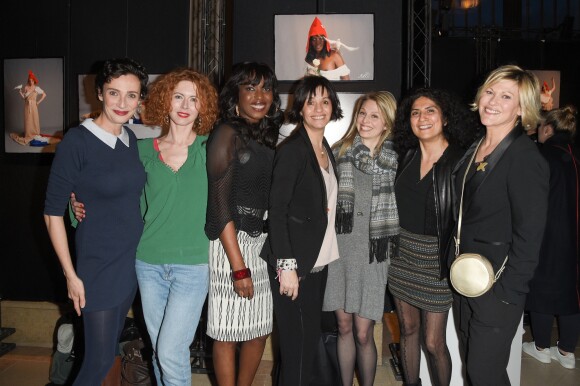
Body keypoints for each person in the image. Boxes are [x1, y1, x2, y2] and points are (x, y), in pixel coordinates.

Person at [70, 68, 219, 385]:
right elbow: (109, 191)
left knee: (169, 352)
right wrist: (75, 206)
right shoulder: (140, 150)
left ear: (202, 106)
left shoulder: (212, 149)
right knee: (159, 355)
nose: (184, 104)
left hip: (193, 266)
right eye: (178, 96)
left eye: (193, 99)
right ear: (165, 101)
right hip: (147, 264)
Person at [43, 57, 149, 386]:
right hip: (97, 267)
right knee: (98, 360)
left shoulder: (130, 139)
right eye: (114, 93)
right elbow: (51, 213)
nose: (122, 103)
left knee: (106, 355)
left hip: (128, 263)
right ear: (99, 93)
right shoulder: (77, 141)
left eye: (131, 95)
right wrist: (71, 275)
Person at [450, 64, 549, 385]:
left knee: (483, 373)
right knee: (477, 369)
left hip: (497, 287)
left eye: (506, 96)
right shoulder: (476, 146)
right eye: (489, 92)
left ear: (521, 108)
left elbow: (530, 235)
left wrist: (506, 294)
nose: (492, 101)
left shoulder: (524, 157)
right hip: (466, 279)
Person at [387, 88, 479, 386]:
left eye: (430, 111)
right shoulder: (406, 156)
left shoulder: (460, 162)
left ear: (445, 118)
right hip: (400, 256)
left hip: (436, 259)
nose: (422, 118)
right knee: (408, 330)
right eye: (415, 112)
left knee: (433, 342)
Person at [204, 62, 284, 386]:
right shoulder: (226, 133)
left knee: (260, 328)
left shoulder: (269, 136)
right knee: (227, 331)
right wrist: (238, 267)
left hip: (260, 244)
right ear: (236, 93)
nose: (259, 95)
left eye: (265, 88)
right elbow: (219, 205)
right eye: (250, 88)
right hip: (229, 243)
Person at [261, 75, 343, 386]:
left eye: (325, 101)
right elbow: (278, 211)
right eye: (311, 101)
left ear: (333, 105)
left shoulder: (323, 148)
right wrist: (287, 267)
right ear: (300, 107)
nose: (318, 108)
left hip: (316, 263)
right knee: (298, 349)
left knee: (304, 347)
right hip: (294, 266)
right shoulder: (293, 150)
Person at [322, 91, 399, 386]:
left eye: (374, 116)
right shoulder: (340, 151)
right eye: (362, 114)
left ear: (387, 122)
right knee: (343, 327)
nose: (365, 121)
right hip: (341, 250)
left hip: (373, 255)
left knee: (364, 332)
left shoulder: (396, 159)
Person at [523, 105, 580, 370]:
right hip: (575, 237)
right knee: (573, 292)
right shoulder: (575, 155)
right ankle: (568, 351)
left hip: (548, 235)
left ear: (547, 128)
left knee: (542, 286)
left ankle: (542, 346)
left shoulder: (541, 155)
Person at [10, 70, 57, 146]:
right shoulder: (26, 87)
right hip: (27, 106)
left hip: (34, 106)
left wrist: (38, 102)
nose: (31, 82)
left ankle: (35, 133)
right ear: (28, 80)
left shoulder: (36, 88)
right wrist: (20, 92)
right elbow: (24, 98)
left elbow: (44, 95)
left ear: (34, 81)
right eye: (30, 80)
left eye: (32, 80)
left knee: (34, 120)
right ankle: (28, 134)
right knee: (28, 121)